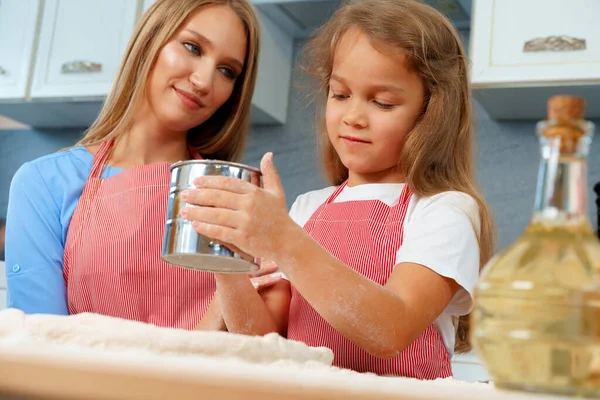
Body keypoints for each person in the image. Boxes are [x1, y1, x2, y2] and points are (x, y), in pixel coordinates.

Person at [180, 0, 496, 379]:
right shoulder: (307, 207)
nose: (353, 117)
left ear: (431, 114)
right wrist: (228, 259)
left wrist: (283, 239)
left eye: (382, 102)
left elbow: (390, 328)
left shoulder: (444, 211)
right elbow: (266, 343)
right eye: (340, 94)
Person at [4, 0, 261, 330]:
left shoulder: (231, 197)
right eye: (192, 47)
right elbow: (42, 341)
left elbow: (255, 346)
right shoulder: (42, 183)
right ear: (150, 39)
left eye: (227, 71)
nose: (204, 81)